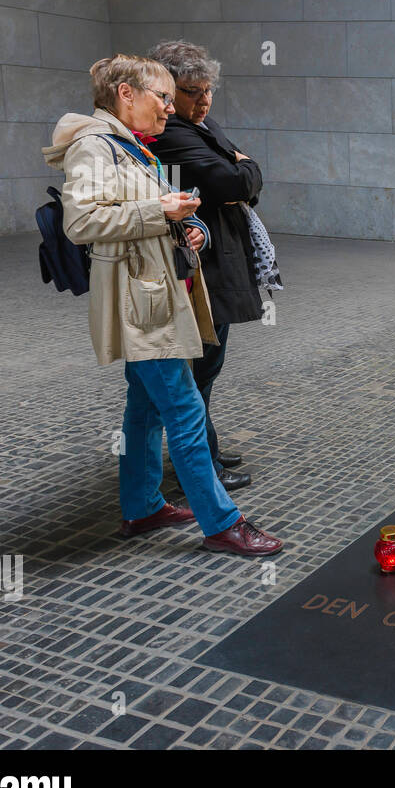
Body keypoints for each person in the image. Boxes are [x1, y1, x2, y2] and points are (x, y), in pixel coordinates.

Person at [41, 53, 283, 557]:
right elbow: (80, 222)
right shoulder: (94, 146)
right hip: (141, 304)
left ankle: (143, 506)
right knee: (185, 410)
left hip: (151, 294)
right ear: (126, 94)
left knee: (145, 410)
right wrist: (159, 209)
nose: (170, 108)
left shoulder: (125, 145)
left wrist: (185, 227)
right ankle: (222, 524)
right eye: (163, 96)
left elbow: (133, 215)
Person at [145, 40, 262, 492]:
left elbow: (240, 181)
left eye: (208, 89)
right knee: (198, 371)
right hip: (199, 269)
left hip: (213, 255)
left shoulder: (201, 123)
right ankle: (200, 464)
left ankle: (205, 451)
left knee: (207, 368)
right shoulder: (172, 131)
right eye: (192, 91)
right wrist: (243, 165)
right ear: (168, 91)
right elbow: (234, 178)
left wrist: (241, 171)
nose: (204, 100)